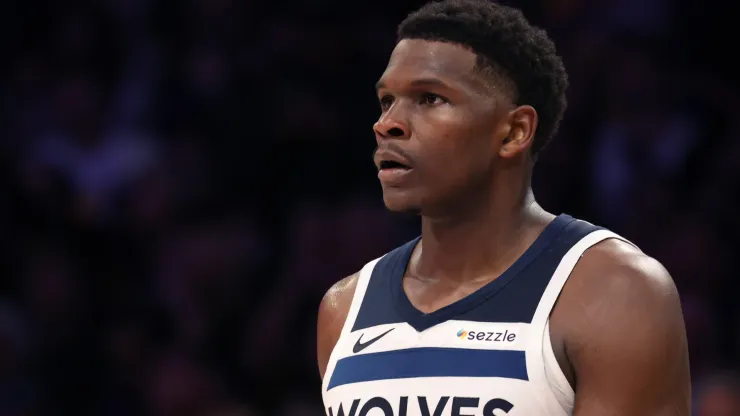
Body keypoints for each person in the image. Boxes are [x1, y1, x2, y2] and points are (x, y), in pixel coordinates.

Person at [316, 0, 691, 414]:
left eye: (429, 98)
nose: (387, 123)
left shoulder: (615, 292)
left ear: (514, 131)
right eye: (387, 100)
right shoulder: (345, 307)